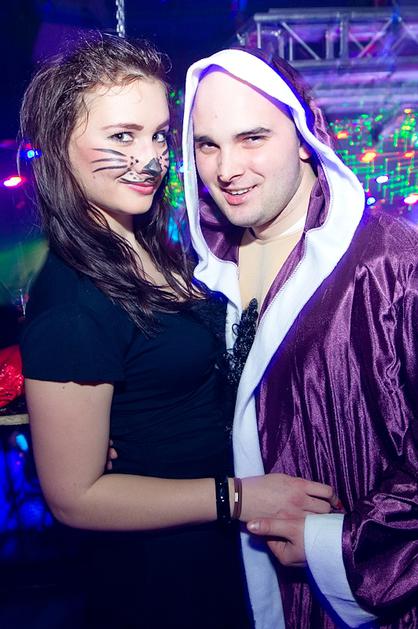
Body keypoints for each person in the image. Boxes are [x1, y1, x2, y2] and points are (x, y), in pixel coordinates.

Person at [19, 34, 338, 629]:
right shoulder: (74, 299)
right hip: (159, 578)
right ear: (61, 146)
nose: (150, 159)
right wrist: (238, 495)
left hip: (216, 557)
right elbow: (74, 499)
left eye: (159, 135)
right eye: (122, 136)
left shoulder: (150, 246)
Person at [181, 48, 418, 629]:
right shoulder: (204, 270)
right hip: (228, 592)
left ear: (306, 136)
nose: (227, 169)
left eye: (252, 138)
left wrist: (336, 543)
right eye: (207, 145)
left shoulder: (392, 267)